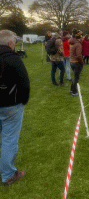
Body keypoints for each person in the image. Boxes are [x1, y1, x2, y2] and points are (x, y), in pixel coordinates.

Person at [0, 30, 30, 186]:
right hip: (11, 105)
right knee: (9, 140)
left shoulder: (12, 57)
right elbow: (24, 83)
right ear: (10, 43)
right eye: (14, 42)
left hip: (8, 103)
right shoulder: (13, 58)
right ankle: (7, 175)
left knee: (7, 140)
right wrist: (22, 101)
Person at [69, 29, 84, 96]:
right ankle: (74, 91)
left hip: (72, 62)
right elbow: (78, 55)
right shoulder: (78, 44)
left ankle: (71, 89)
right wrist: (81, 62)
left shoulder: (72, 42)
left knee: (75, 77)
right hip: (76, 63)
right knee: (76, 78)